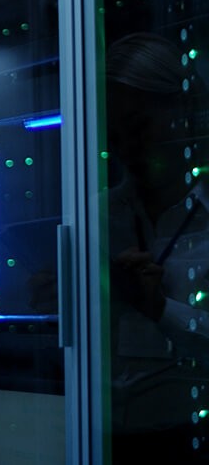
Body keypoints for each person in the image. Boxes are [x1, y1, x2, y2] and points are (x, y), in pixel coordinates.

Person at [105, 32, 209, 464]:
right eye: (114, 128)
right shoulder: (98, 216)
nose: (126, 145)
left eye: (139, 125)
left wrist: (160, 309)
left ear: (182, 110)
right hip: (104, 437)